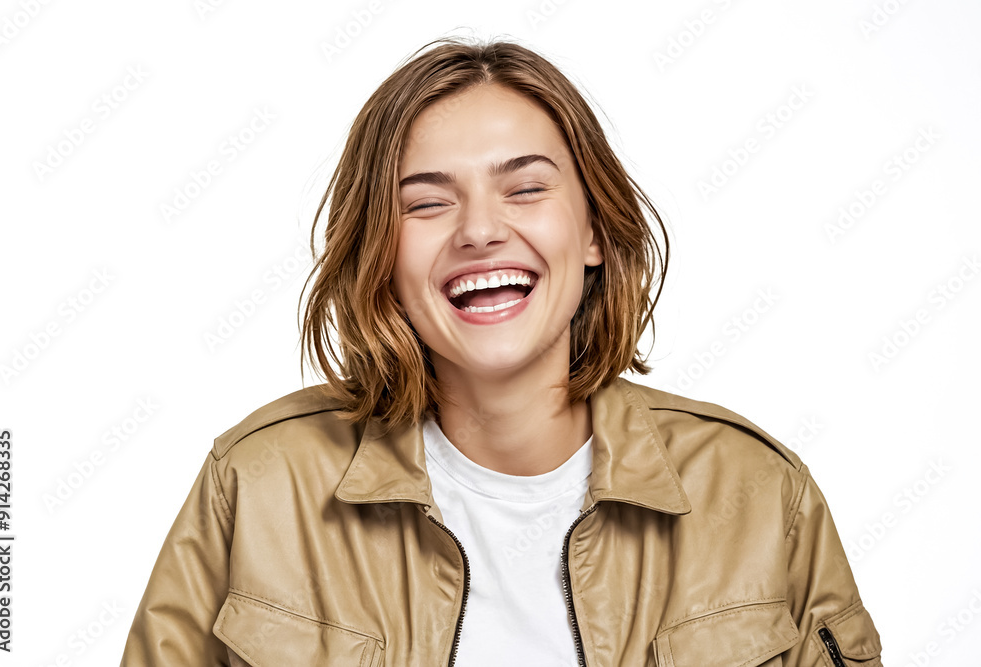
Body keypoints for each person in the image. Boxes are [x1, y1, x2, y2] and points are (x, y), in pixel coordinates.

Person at [120, 37, 882, 666]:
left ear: (592, 232)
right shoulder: (256, 485)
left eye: (525, 189)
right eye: (425, 202)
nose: (480, 230)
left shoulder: (758, 492)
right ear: (379, 252)